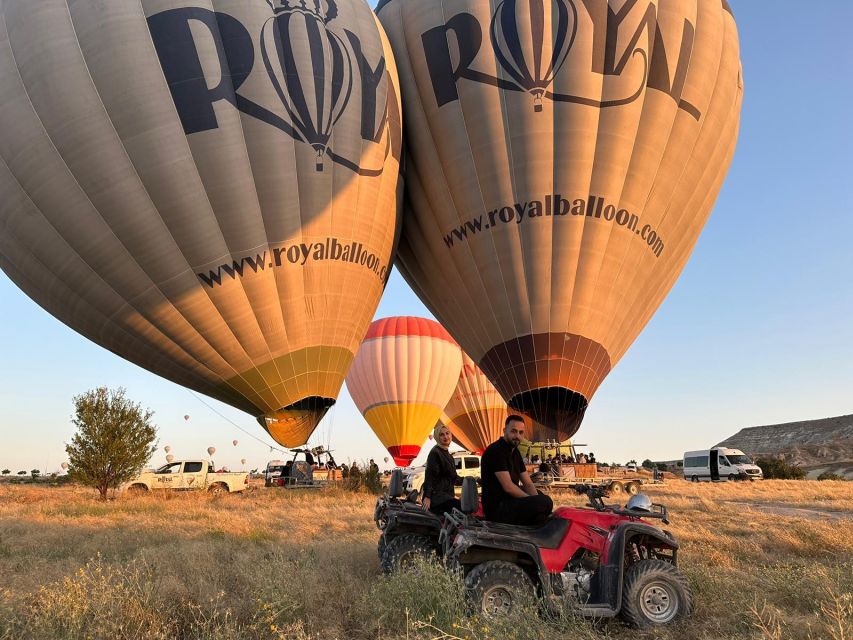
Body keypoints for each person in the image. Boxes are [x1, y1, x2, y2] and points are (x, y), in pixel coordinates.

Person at [481, 415, 553, 525]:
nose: (517, 436)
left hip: (510, 502)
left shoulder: (515, 452)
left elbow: (528, 483)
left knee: (541, 497)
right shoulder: (496, 451)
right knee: (544, 502)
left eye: (521, 432)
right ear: (505, 431)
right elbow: (508, 487)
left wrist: (535, 500)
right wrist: (532, 502)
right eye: (513, 431)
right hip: (498, 509)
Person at [421, 424, 462, 516]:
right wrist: (427, 497)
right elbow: (430, 475)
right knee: (462, 509)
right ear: (437, 437)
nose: (445, 437)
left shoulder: (449, 455)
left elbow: (453, 478)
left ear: (451, 435)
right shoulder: (435, 453)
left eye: (447, 433)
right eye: (442, 434)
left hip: (446, 496)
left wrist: (470, 481)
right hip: (437, 498)